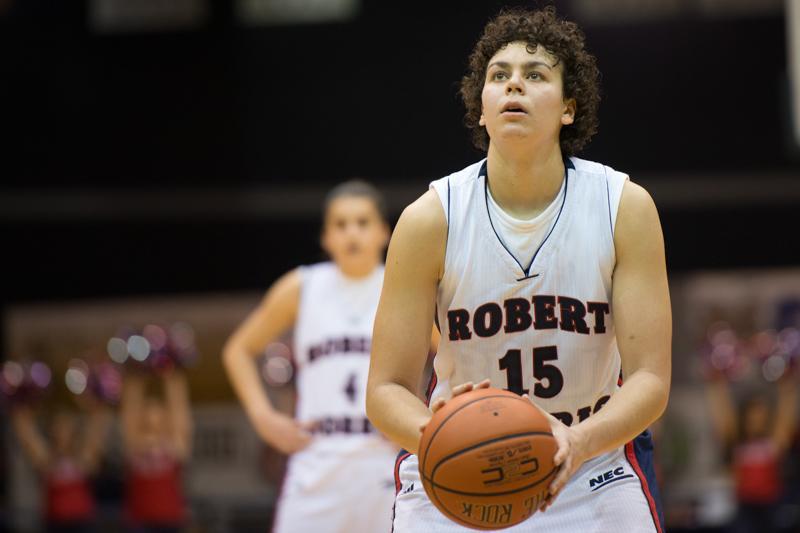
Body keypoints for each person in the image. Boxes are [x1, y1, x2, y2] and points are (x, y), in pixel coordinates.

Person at [366, 6, 671, 533]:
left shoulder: (623, 206)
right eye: (499, 76)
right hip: (458, 467)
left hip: (590, 461)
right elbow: (385, 388)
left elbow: (650, 380)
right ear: (481, 109)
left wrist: (579, 442)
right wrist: (440, 435)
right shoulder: (429, 219)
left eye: (536, 75)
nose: (515, 86)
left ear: (568, 108)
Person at [224, 181, 435, 533]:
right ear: (326, 237)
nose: (352, 232)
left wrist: (419, 418)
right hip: (317, 464)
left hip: (385, 461)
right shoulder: (302, 286)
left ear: (384, 232)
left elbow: (453, 355)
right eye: (341, 224)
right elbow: (238, 351)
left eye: (362, 222)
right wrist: (264, 419)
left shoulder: (401, 285)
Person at [706, 369, 798, 533]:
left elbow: (786, 416)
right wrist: (717, 384)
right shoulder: (736, 442)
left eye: (761, 414)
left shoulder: (773, 441)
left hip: (771, 506)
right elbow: (723, 416)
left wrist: (787, 385)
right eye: (753, 415)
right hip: (745, 508)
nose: (757, 419)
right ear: (745, 416)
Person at [11, 403, 111, 533]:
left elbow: (99, 428)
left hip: (82, 522)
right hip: (55, 523)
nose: (63, 431)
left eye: (67, 426)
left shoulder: (82, 457)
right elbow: (27, 435)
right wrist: (21, 402)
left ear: (74, 430)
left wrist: (93, 402)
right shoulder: (47, 458)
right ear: (52, 430)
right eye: (59, 426)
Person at [120, 371, 192, 533]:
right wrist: (136, 369)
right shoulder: (134, 443)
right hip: (138, 520)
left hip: (170, 519)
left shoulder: (175, 443)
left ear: (166, 415)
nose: (152, 414)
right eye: (148, 408)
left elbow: (180, 408)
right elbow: (129, 409)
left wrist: (172, 372)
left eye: (157, 409)